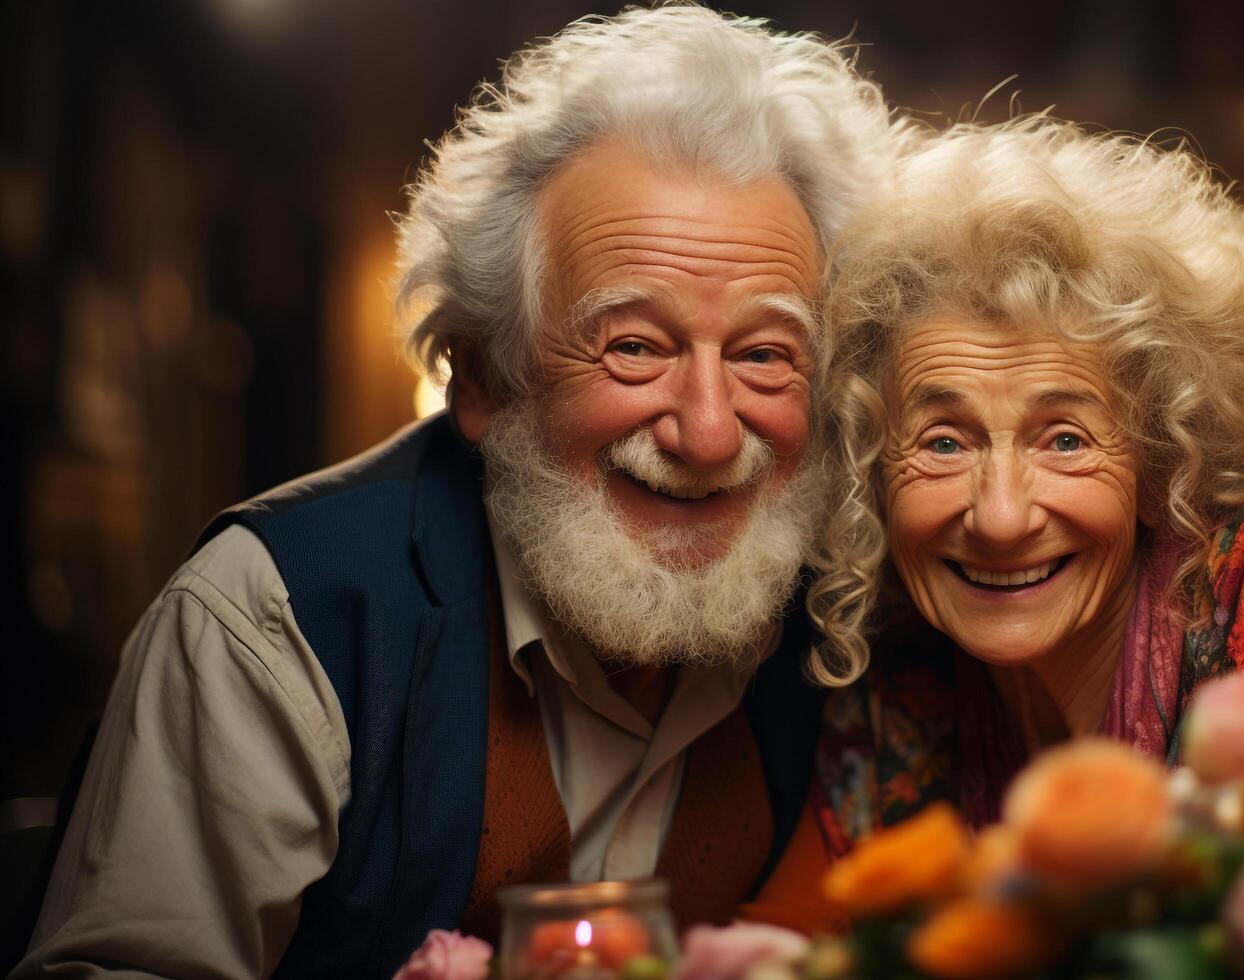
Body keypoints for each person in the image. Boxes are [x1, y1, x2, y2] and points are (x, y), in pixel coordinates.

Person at [14, 6, 899, 977]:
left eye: (764, 354)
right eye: (633, 345)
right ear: (481, 376)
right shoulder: (278, 617)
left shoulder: (847, 623)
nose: (708, 430)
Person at [747, 118, 1244, 929]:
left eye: (1064, 439)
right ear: (871, 477)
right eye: (942, 441)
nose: (1000, 517)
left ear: (1159, 461)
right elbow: (779, 952)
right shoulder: (896, 692)